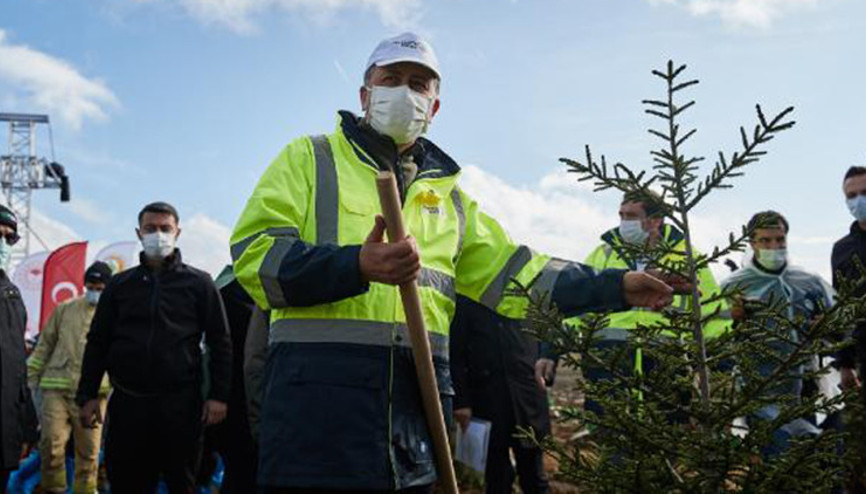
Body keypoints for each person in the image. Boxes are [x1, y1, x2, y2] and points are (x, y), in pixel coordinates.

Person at [230, 32, 677, 492]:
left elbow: (519, 275)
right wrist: (355, 265)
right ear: (365, 95)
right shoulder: (310, 159)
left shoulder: (449, 199)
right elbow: (255, 258)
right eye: (392, 79)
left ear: (435, 106)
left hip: (413, 430)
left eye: (419, 84)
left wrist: (617, 286)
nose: (405, 92)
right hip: (317, 421)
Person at [76, 201, 232, 493]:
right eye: (150, 228)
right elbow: (98, 342)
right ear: (139, 233)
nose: (157, 234)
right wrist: (87, 394)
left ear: (177, 232)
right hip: (127, 404)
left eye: (165, 228)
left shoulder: (200, 283)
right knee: (126, 482)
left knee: (181, 482)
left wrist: (218, 396)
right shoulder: (120, 285)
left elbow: (220, 341)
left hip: (181, 405)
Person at [578, 191, 729, 417]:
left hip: (667, 364)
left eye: (631, 216)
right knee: (612, 436)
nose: (623, 223)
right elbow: (578, 302)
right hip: (607, 362)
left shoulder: (687, 258)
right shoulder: (603, 254)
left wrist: (720, 359)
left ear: (655, 220)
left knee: (668, 434)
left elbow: (713, 310)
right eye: (621, 215)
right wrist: (551, 350)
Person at [722, 210, 835, 454]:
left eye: (779, 239)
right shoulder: (733, 285)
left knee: (807, 459)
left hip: (803, 389)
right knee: (776, 459)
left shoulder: (808, 281)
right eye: (765, 240)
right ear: (752, 243)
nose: (774, 246)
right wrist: (734, 318)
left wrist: (825, 326)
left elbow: (840, 325)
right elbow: (714, 336)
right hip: (758, 390)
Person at [450, 295, 554, 494]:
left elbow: (547, 340)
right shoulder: (466, 301)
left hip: (527, 400)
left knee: (534, 477)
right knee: (497, 478)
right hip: (486, 401)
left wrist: (548, 367)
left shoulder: (527, 295)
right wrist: (461, 401)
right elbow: (455, 354)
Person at [27, 261, 113, 493]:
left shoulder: (113, 314)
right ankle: (54, 489)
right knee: (51, 445)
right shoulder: (65, 309)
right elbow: (44, 345)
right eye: (91, 286)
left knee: (89, 452)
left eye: (100, 287)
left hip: (94, 395)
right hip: (56, 388)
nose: (95, 291)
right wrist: (31, 377)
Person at [0, 205, 38, 492]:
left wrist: (26, 422)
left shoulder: (12, 295)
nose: (3, 242)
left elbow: (16, 365)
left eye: (8, 237)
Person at [833, 166, 866, 392]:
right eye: (852, 196)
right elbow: (841, 307)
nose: (859, 200)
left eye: (865, 192)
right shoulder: (842, 250)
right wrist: (845, 363)